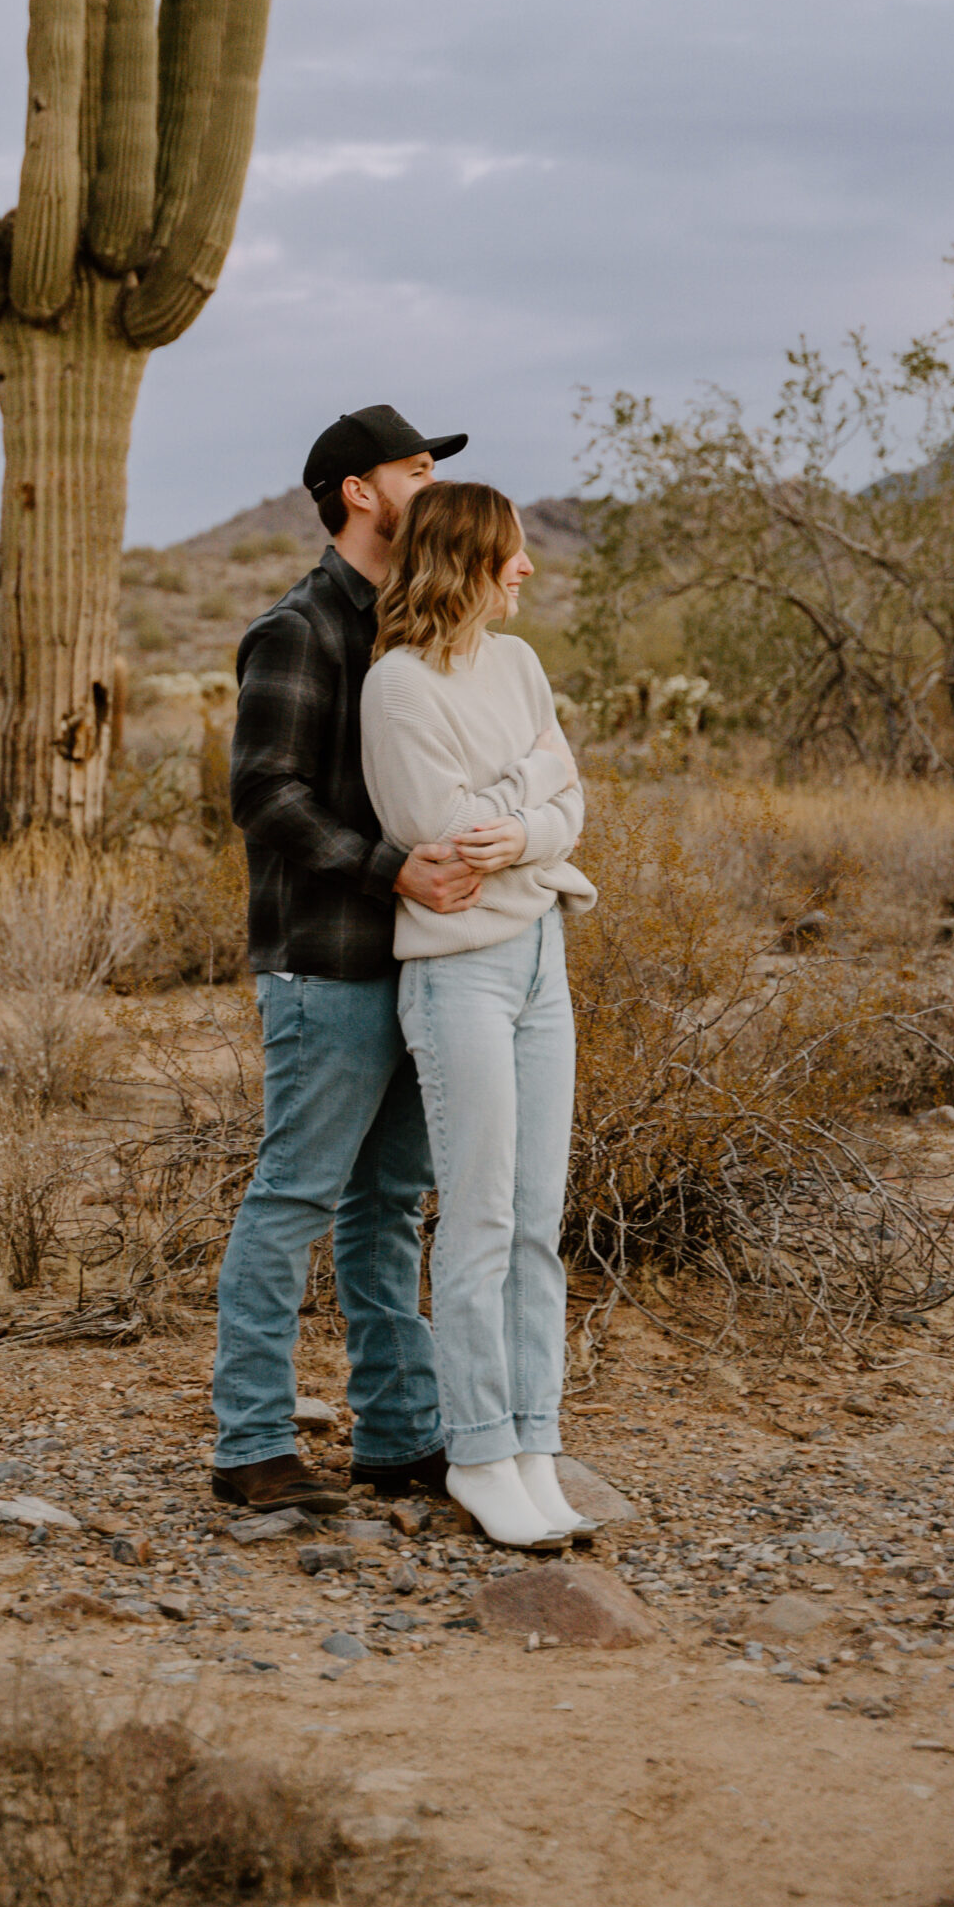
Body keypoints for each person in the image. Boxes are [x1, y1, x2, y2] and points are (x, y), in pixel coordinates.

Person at [212, 405, 481, 1515]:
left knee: (387, 1206)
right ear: (360, 492)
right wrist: (393, 870)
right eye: (417, 468)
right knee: (294, 1198)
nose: (436, 481)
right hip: (327, 966)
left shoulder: (413, 627)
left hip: (420, 962)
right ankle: (252, 1447)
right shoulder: (302, 628)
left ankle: (400, 1436)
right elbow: (262, 794)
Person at [360, 481, 598, 1550]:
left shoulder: (520, 663)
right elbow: (441, 834)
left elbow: (574, 796)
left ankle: (534, 1442)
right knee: (481, 1216)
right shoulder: (397, 689)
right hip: (460, 971)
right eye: (510, 551)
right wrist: (529, 797)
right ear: (466, 558)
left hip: (543, 955)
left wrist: (529, 815)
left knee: (539, 1216)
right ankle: (480, 1452)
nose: (527, 568)